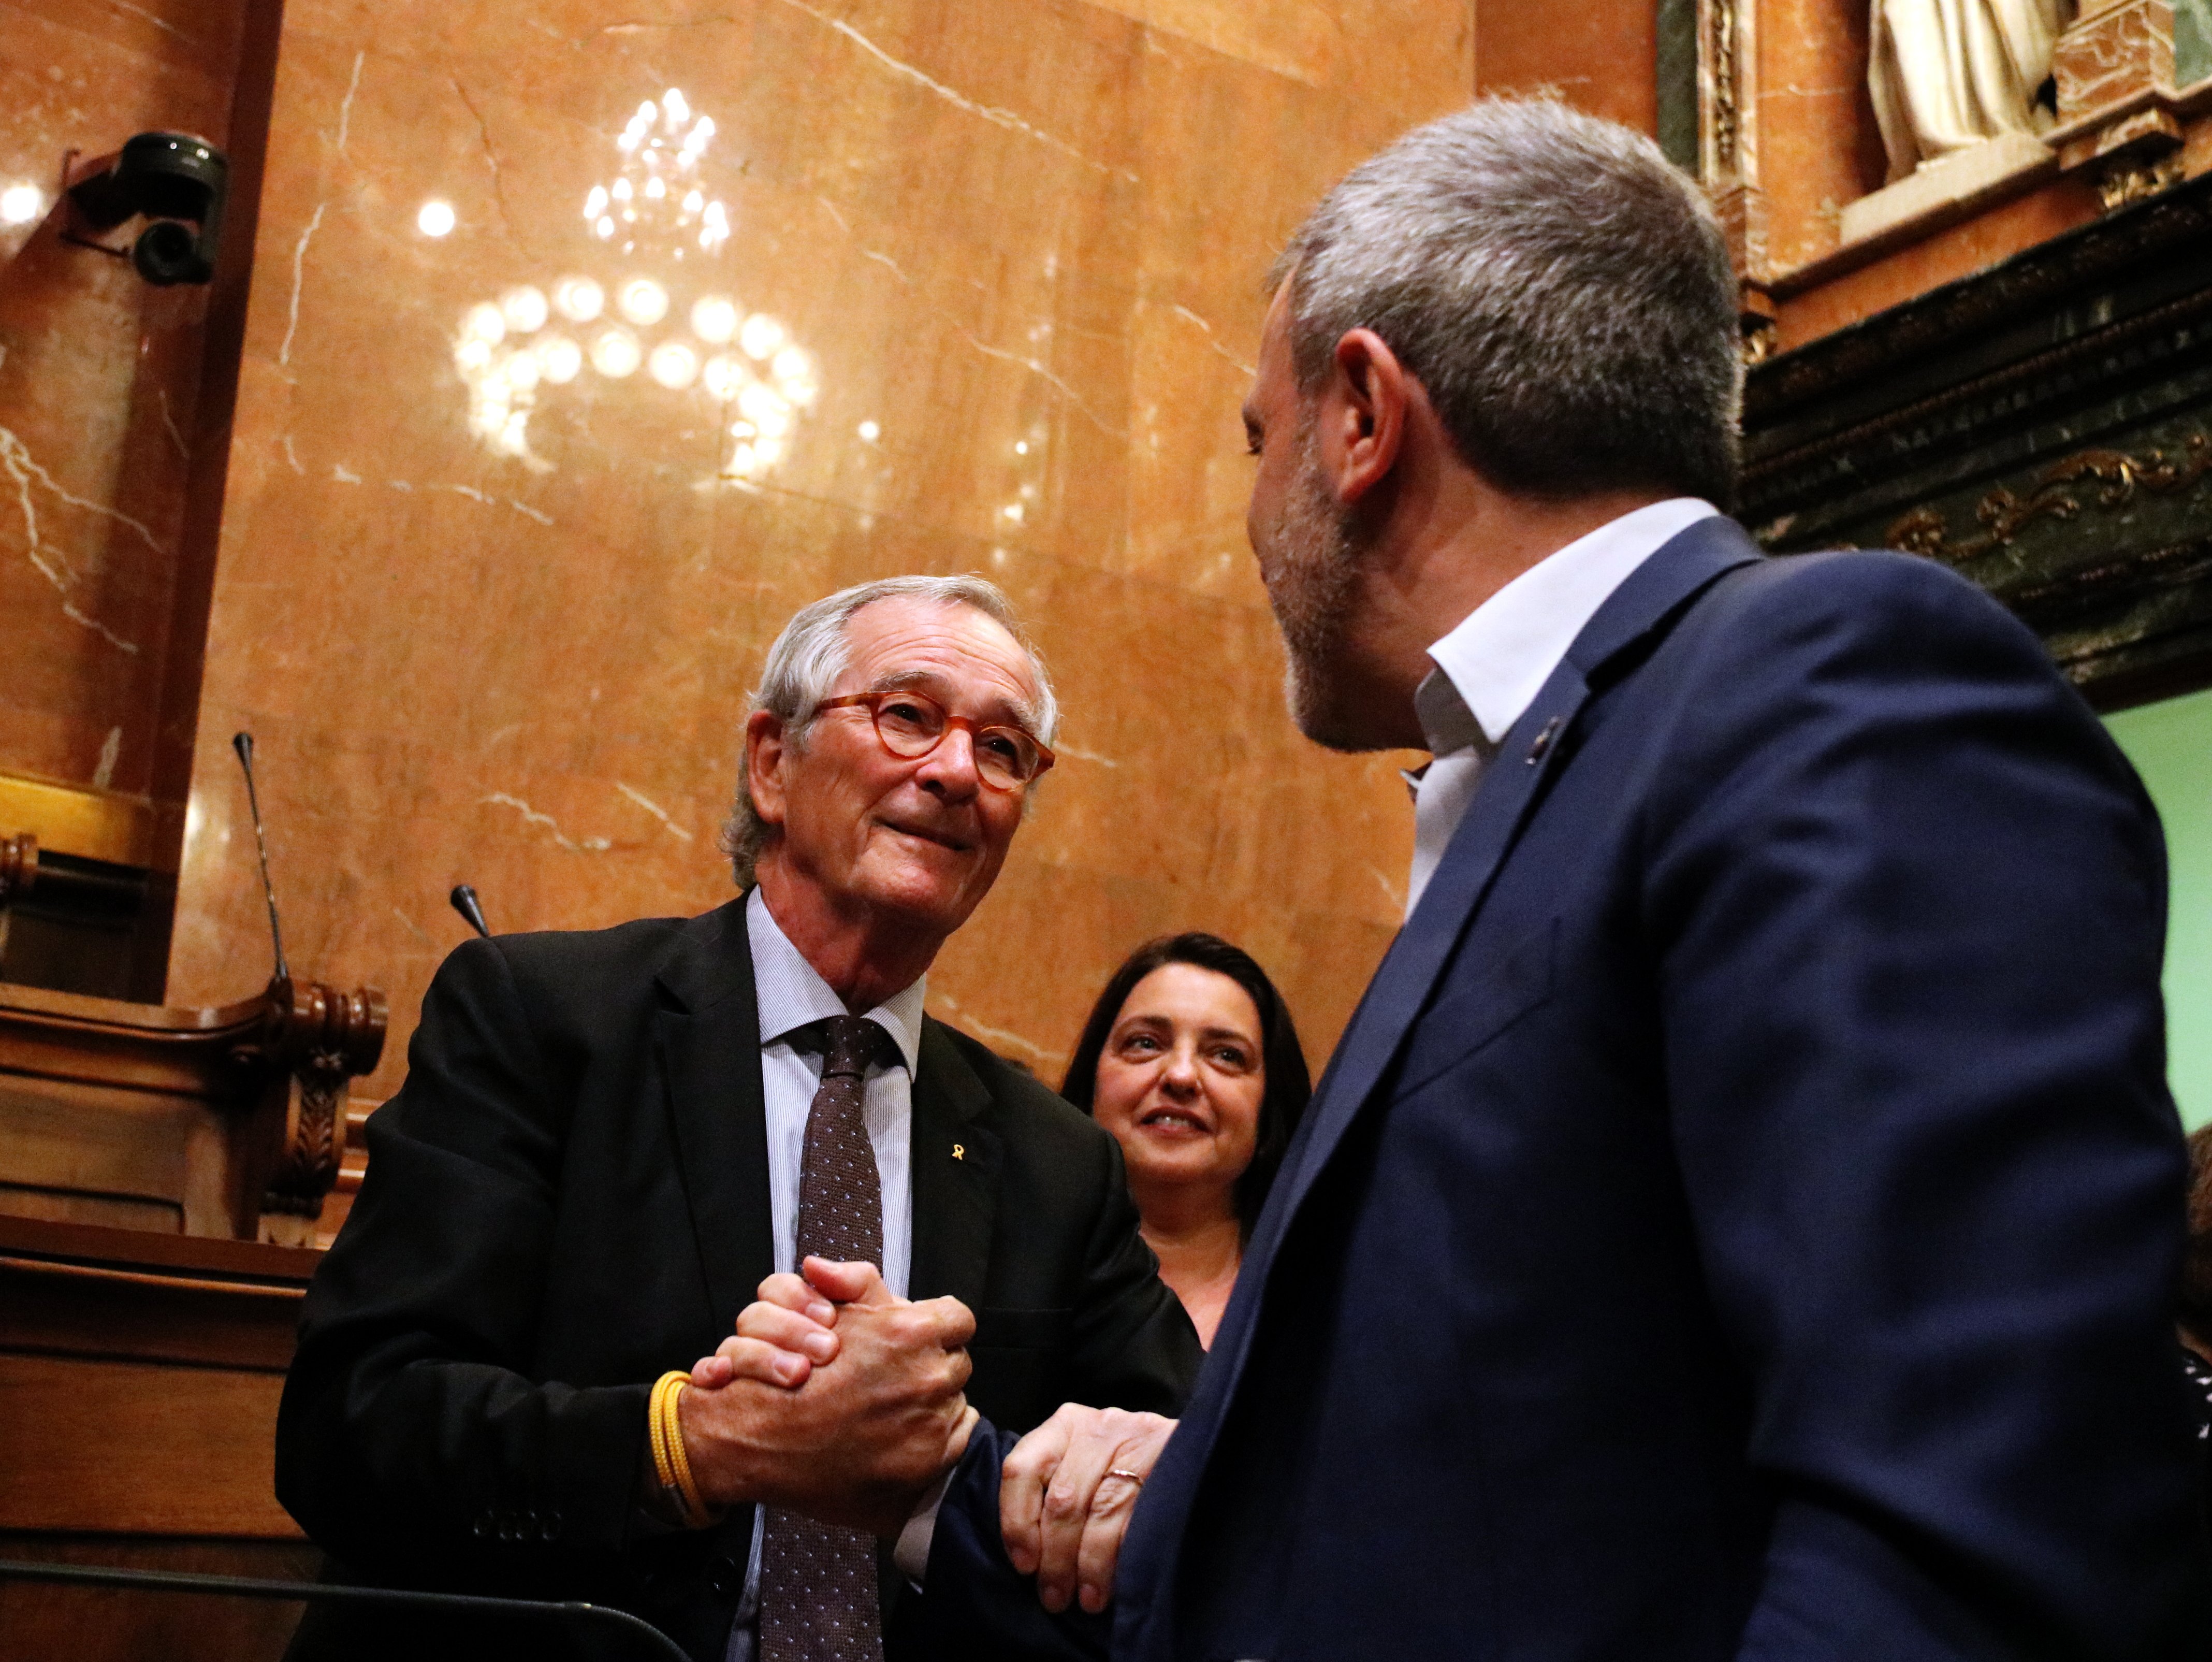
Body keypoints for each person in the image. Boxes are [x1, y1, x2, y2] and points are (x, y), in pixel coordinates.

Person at [1088, 97, 2204, 1659]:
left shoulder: (1828, 678)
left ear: (1360, 419)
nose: (1250, 514)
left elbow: (1965, 1539)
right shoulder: (1546, 766)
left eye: (1253, 441)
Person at [274, 573, 1202, 1662]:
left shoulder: (1060, 1159)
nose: (957, 771)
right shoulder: (538, 1019)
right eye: (908, 714)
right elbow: (352, 1429)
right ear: (772, 760)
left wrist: (1118, 1458)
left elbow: (1198, 1481)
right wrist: (702, 1443)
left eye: (1003, 749)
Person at [1057, 934, 1312, 1346]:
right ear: (1093, 1079)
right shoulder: (1005, 1262)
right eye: (1145, 1043)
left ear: (1270, 1104)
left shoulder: (1323, 1298)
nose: (1180, 1076)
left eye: (1226, 1055)